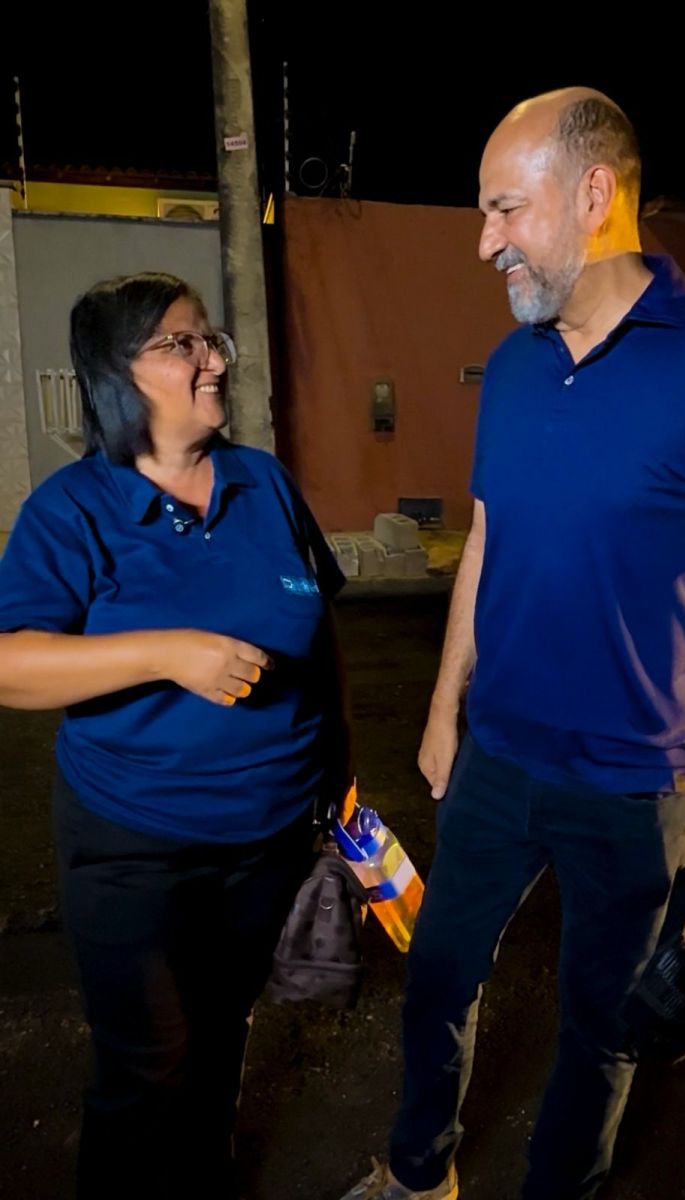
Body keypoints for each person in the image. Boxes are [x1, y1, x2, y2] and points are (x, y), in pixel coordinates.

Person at [341, 88, 685, 1200]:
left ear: (593, 195)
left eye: (504, 209)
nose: (484, 240)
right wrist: (442, 712)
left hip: (637, 786)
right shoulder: (514, 364)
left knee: (601, 1030)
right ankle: (419, 1177)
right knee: (437, 975)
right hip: (497, 758)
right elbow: (485, 545)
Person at [0, 272, 348, 1200]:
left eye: (210, 339)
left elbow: (322, 635)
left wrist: (337, 772)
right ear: (118, 371)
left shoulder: (264, 482)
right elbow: (9, 664)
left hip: (268, 838)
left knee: (223, 1033)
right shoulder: (73, 508)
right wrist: (166, 651)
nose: (213, 360)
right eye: (181, 344)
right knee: (146, 1063)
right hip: (134, 845)